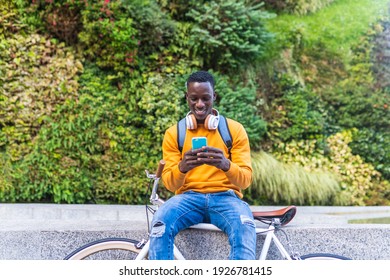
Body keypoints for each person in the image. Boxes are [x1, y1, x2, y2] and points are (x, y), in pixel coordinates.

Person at [148, 70, 256, 260]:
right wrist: (182, 167)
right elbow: (171, 185)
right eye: (194, 98)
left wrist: (225, 164)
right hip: (188, 198)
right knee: (160, 225)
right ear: (186, 97)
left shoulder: (234, 130)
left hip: (227, 198)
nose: (200, 104)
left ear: (214, 96)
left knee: (244, 226)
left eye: (206, 98)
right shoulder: (174, 133)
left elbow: (245, 180)